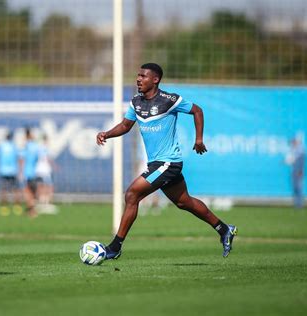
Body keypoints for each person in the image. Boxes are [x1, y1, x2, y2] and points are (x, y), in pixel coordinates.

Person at [96, 63, 237, 260]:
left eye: (143, 76)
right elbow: (126, 125)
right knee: (184, 202)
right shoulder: (136, 102)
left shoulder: (170, 100)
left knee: (131, 195)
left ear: (155, 80)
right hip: (157, 164)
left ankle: (115, 246)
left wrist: (198, 139)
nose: (138, 79)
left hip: (168, 163)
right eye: (138, 75)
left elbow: (198, 111)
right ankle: (224, 229)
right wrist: (107, 134)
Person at [0, 131, 23, 215]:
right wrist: (20, 170)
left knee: (4, 189)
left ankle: (4, 207)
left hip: (3, 170)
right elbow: (18, 157)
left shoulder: (1, 146)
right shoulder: (14, 146)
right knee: (15, 189)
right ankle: (17, 207)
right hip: (13, 170)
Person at [19, 128, 40, 218]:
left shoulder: (26, 146)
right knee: (33, 192)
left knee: (27, 192)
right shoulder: (35, 146)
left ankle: (31, 211)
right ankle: (32, 210)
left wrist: (20, 171)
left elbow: (22, 159)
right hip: (34, 172)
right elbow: (37, 158)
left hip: (26, 172)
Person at [35, 134, 58, 214]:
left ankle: (40, 202)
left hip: (38, 170)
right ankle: (46, 203)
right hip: (45, 170)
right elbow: (48, 159)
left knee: (40, 186)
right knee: (49, 187)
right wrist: (55, 166)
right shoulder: (46, 148)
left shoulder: (37, 148)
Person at [285, 136, 306, 208]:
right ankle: (296, 204)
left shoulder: (301, 151)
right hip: (294, 171)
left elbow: (301, 163)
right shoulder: (293, 151)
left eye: (293, 142)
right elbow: (290, 161)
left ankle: (300, 204)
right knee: (295, 188)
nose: (292, 143)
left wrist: (300, 171)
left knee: (299, 188)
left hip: (298, 172)